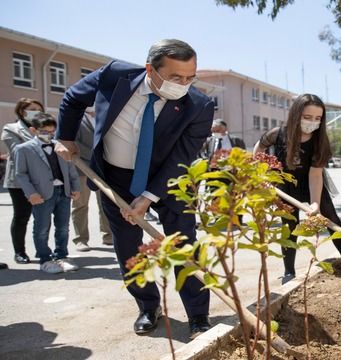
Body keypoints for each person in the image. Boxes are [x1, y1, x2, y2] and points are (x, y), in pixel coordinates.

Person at [54, 39, 214, 339]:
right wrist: (66, 136)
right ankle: (148, 306)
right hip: (115, 177)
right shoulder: (115, 76)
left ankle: (198, 316)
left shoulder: (200, 105)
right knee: (128, 247)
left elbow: (182, 157)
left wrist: (150, 196)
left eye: (190, 77)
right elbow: (73, 99)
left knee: (183, 245)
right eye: (176, 77)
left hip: (169, 180)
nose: (184, 84)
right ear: (150, 69)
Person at [253, 93, 341, 281]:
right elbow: (259, 149)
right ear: (296, 114)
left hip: (311, 183)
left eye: (317, 118)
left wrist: (315, 204)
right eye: (307, 117)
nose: (312, 122)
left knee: (332, 220)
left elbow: (315, 174)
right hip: (286, 185)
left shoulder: (319, 140)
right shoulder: (278, 133)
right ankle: (289, 271)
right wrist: (261, 174)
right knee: (289, 226)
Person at [14, 113, 81, 273]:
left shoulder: (59, 146)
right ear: (33, 130)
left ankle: (61, 256)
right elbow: (20, 174)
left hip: (63, 192)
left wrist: (76, 187)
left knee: (63, 227)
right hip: (41, 194)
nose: (49, 135)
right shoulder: (23, 149)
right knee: (42, 228)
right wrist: (31, 193)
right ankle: (45, 259)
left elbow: (70, 168)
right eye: (44, 131)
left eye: (52, 132)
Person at [1, 98, 44, 264]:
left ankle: (44, 252)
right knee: (21, 216)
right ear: (22, 111)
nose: (36, 112)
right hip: (20, 181)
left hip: (42, 179)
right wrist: (38, 138)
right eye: (32, 109)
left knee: (43, 218)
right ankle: (20, 252)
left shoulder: (44, 128)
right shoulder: (11, 129)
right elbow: (17, 151)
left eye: (38, 109)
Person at [71, 110, 113, 251]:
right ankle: (81, 239)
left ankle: (108, 236)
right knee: (80, 205)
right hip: (82, 168)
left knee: (105, 204)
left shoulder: (106, 114)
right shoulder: (76, 118)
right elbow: (74, 143)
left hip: (103, 168)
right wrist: (97, 154)